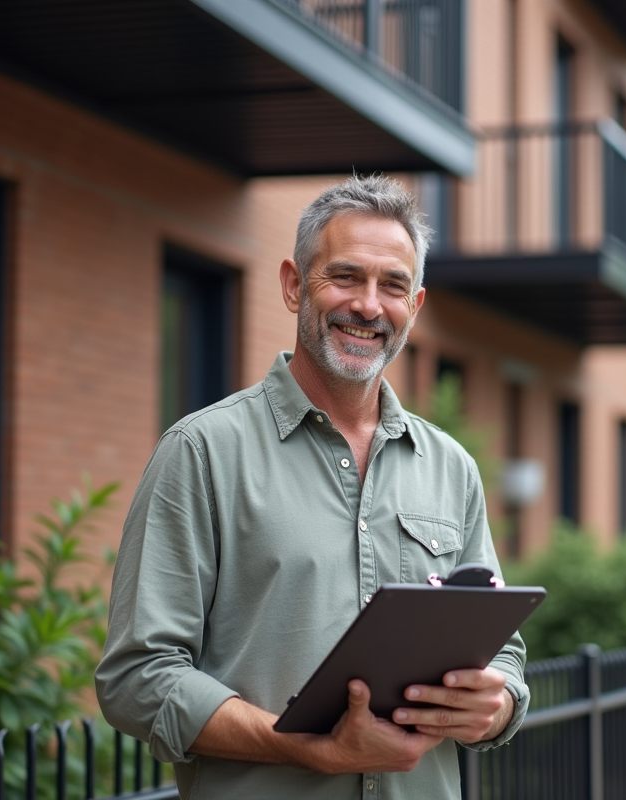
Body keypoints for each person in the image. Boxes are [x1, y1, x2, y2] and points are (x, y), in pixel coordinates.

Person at [95, 175, 528, 799]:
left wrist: (498, 706)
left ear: (417, 305)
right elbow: (137, 678)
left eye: (393, 286)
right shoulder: (201, 453)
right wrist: (303, 747)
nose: (369, 306)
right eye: (346, 277)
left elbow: (502, 649)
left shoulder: (451, 466)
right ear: (294, 285)